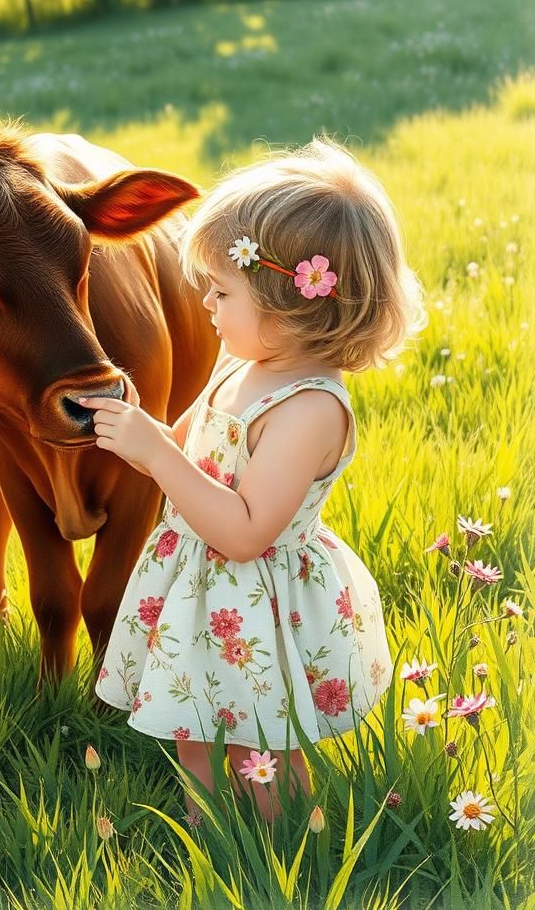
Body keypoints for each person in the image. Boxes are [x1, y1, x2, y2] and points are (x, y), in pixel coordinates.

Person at [86, 138, 426, 823]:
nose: (205, 304)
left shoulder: (309, 408)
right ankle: (211, 829)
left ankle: (281, 843)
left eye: (221, 290)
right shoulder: (238, 364)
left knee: (258, 741)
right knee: (195, 729)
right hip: (200, 590)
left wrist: (157, 457)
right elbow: (189, 449)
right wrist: (133, 427)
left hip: (258, 602)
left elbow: (245, 531)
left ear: (286, 300)